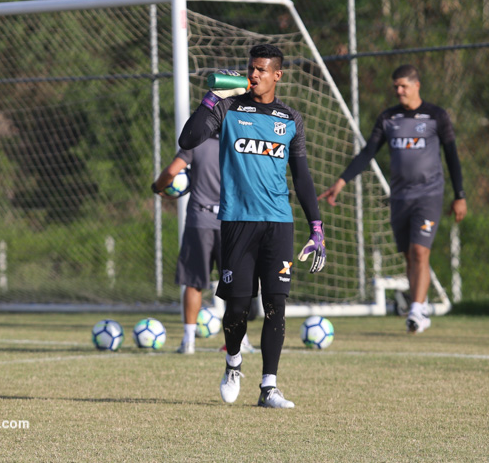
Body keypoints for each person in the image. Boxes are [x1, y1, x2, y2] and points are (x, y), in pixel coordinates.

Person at [178, 45, 326, 409]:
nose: (254, 75)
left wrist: (316, 227)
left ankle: (269, 387)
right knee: (238, 306)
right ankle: (233, 365)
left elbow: (302, 176)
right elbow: (188, 139)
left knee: (277, 303)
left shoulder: (290, 118)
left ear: (277, 75)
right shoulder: (229, 107)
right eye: (251, 69)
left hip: (279, 223)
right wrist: (212, 97)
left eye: (262, 70)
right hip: (237, 222)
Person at [318, 64, 466, 334]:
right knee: (409, 254)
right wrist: (341, 181)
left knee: (421, 250)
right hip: (399, 197)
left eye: (404, 86)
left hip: (429, 195)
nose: (399, 91)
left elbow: (452, 156)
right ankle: (419, 307)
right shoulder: (388, 118)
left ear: (416, 85)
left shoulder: (436, 116)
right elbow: (368, 152)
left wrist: (460, 195)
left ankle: (417, 309)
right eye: (396, 86)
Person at [151, 138, 256, 355]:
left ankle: (189, 341)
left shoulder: (195, 144)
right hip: (232, 221)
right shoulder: (240, 141)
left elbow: (172, 172)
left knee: (193, 282)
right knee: (235, 284)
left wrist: (158, 187)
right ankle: (240, 340)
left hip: (200, 221)